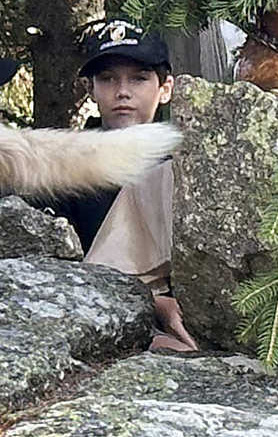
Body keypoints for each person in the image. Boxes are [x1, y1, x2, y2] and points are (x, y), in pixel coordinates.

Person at [51, 20, 197, 353]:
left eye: (138, 78)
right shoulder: (65, 169)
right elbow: (56, 274)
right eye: (108, 79)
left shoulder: (191, 164)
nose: (122, 92)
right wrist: (152, 304)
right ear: (91, 90)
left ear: (166, 88)